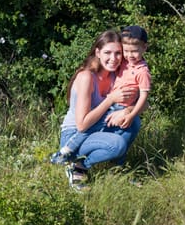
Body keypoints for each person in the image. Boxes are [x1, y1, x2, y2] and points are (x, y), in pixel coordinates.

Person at [50, 30, 142, 191]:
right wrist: (110, 99)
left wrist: (128, 110)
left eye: (118, 53)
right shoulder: (86, 77)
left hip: (98, 129)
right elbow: (82, 125)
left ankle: (116, 171)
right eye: (107, 53)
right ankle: (78, 166)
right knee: (117, 145)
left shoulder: (117, 75)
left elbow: (144, 103)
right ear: (97, 52)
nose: (113, 59)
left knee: (133, 121)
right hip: (75, 136)